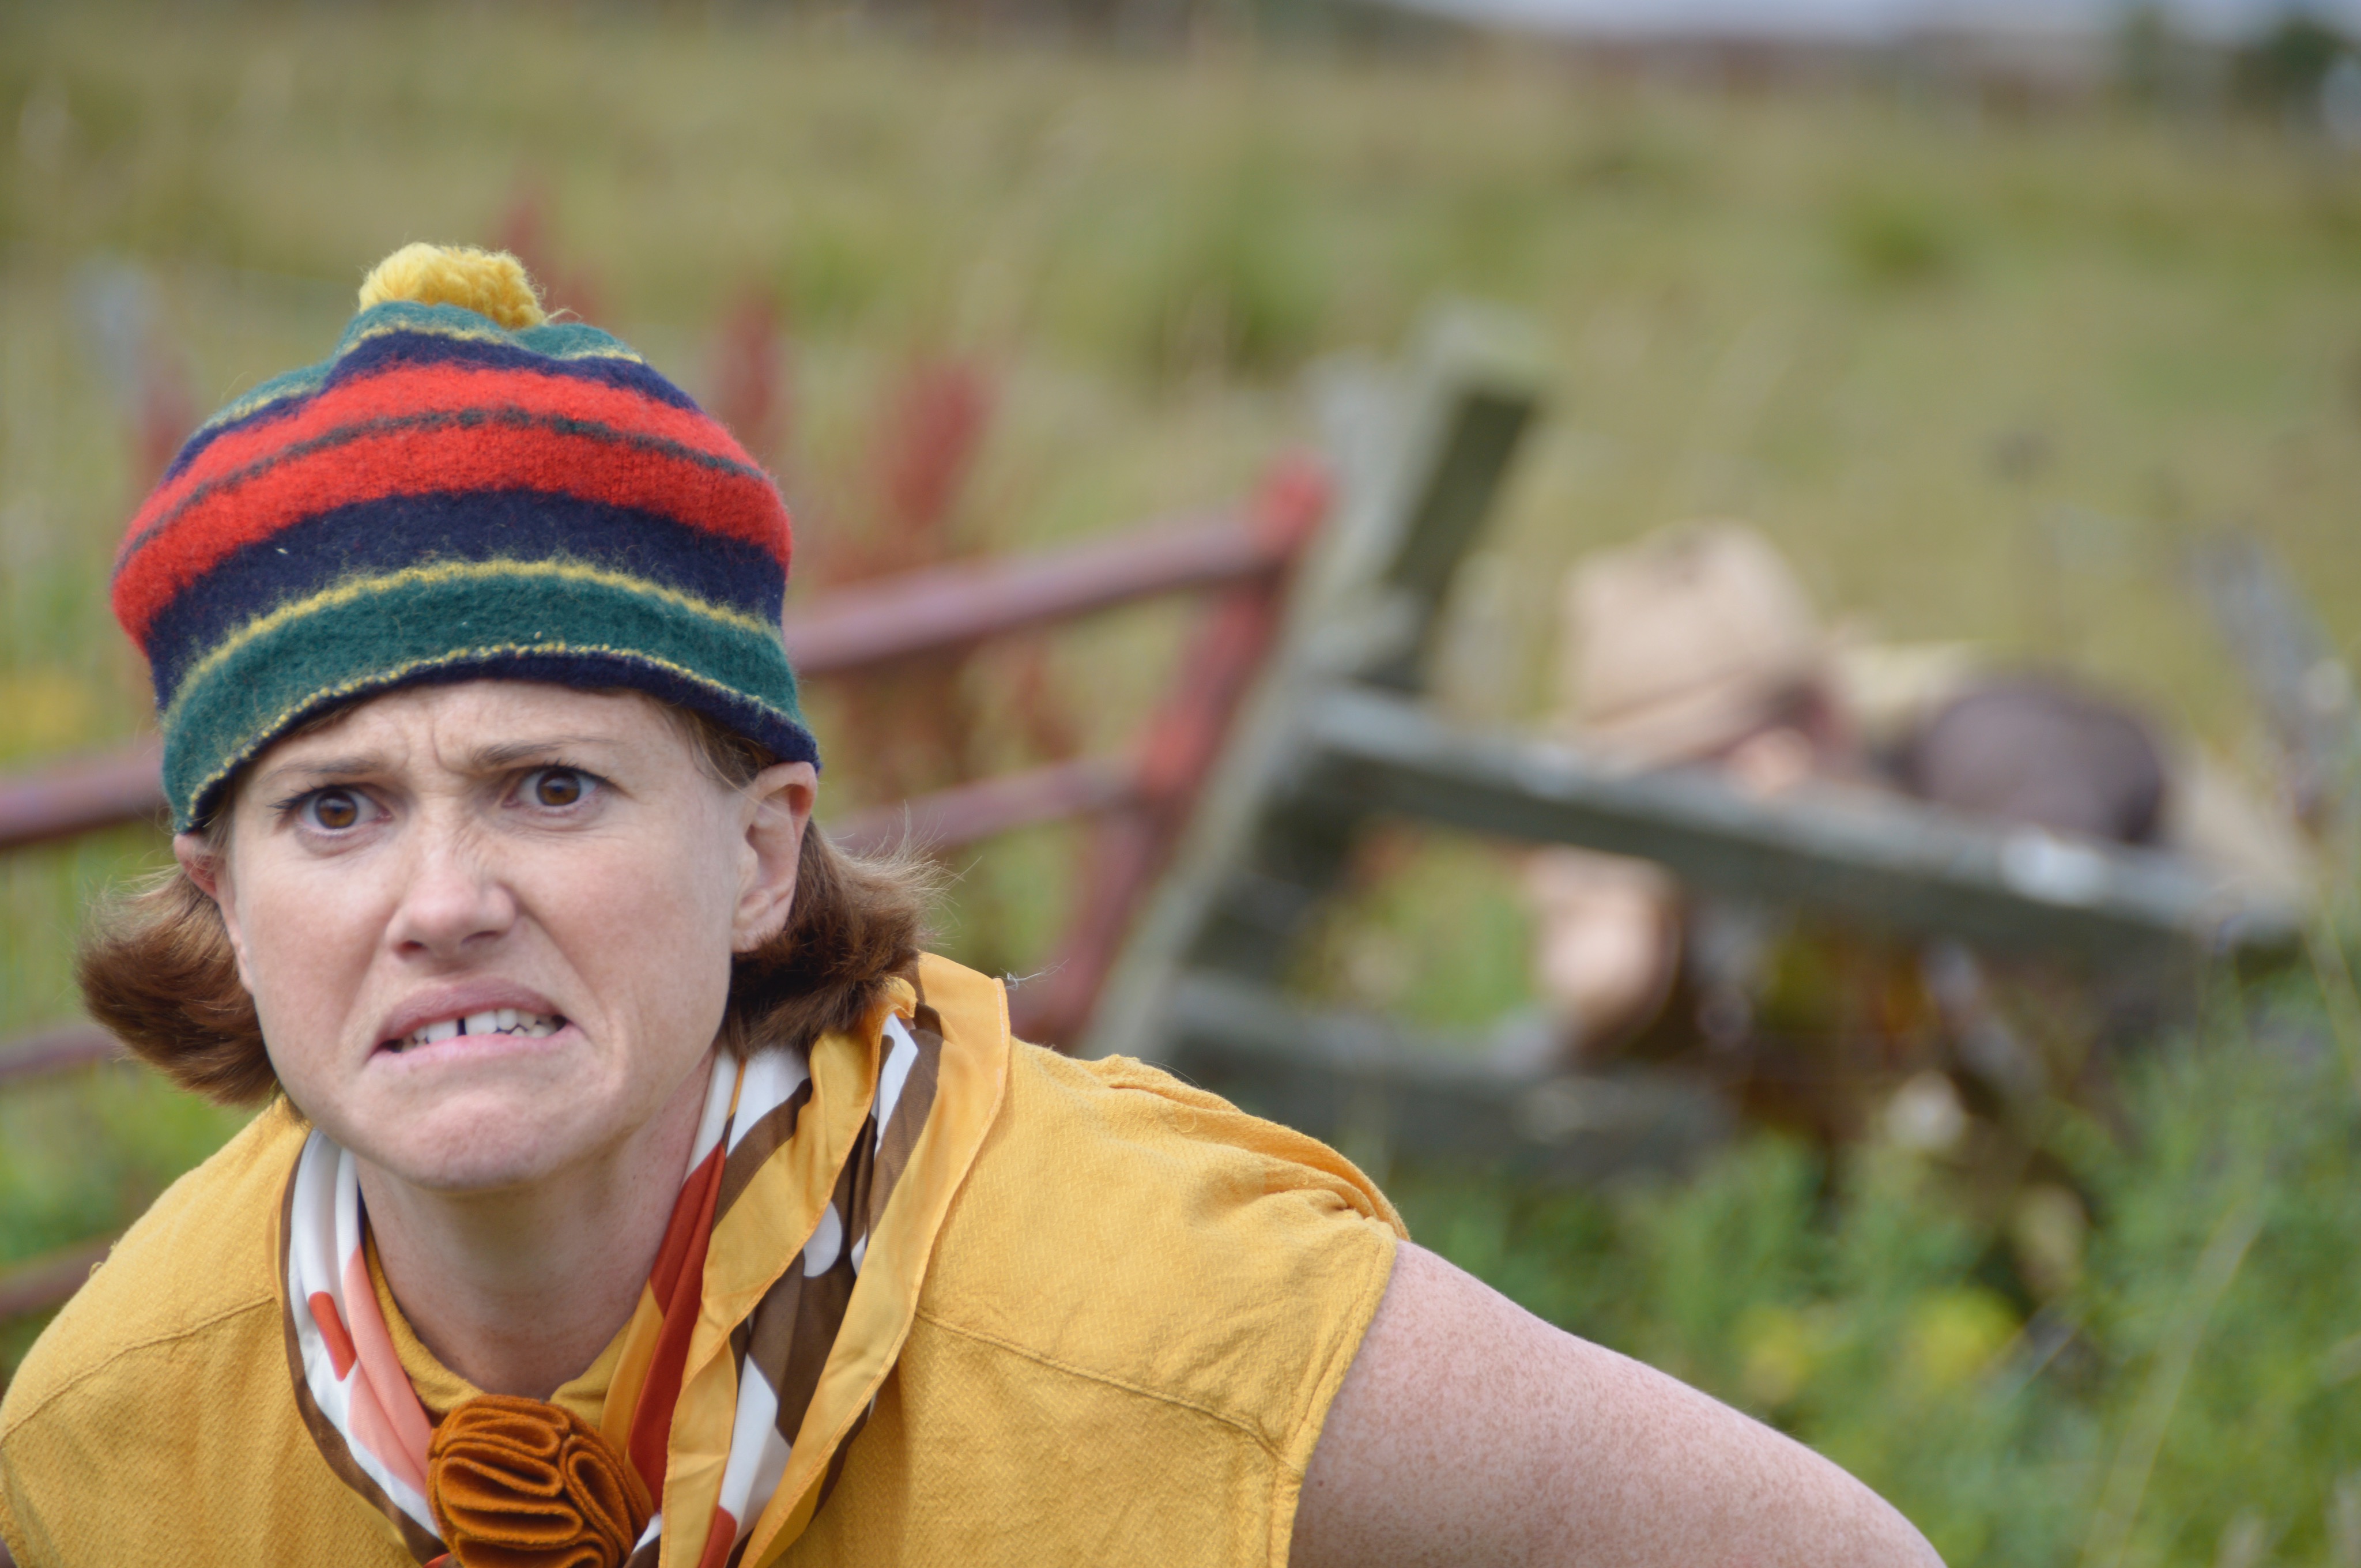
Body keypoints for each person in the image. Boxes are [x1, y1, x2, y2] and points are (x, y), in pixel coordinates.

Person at [0, 247, 1940, 1568]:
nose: (444, 899)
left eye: (553, 786)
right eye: (333, 811)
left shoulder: (1144, 1315)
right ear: (225, 905)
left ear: (760, 854)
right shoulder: (121, 1433)